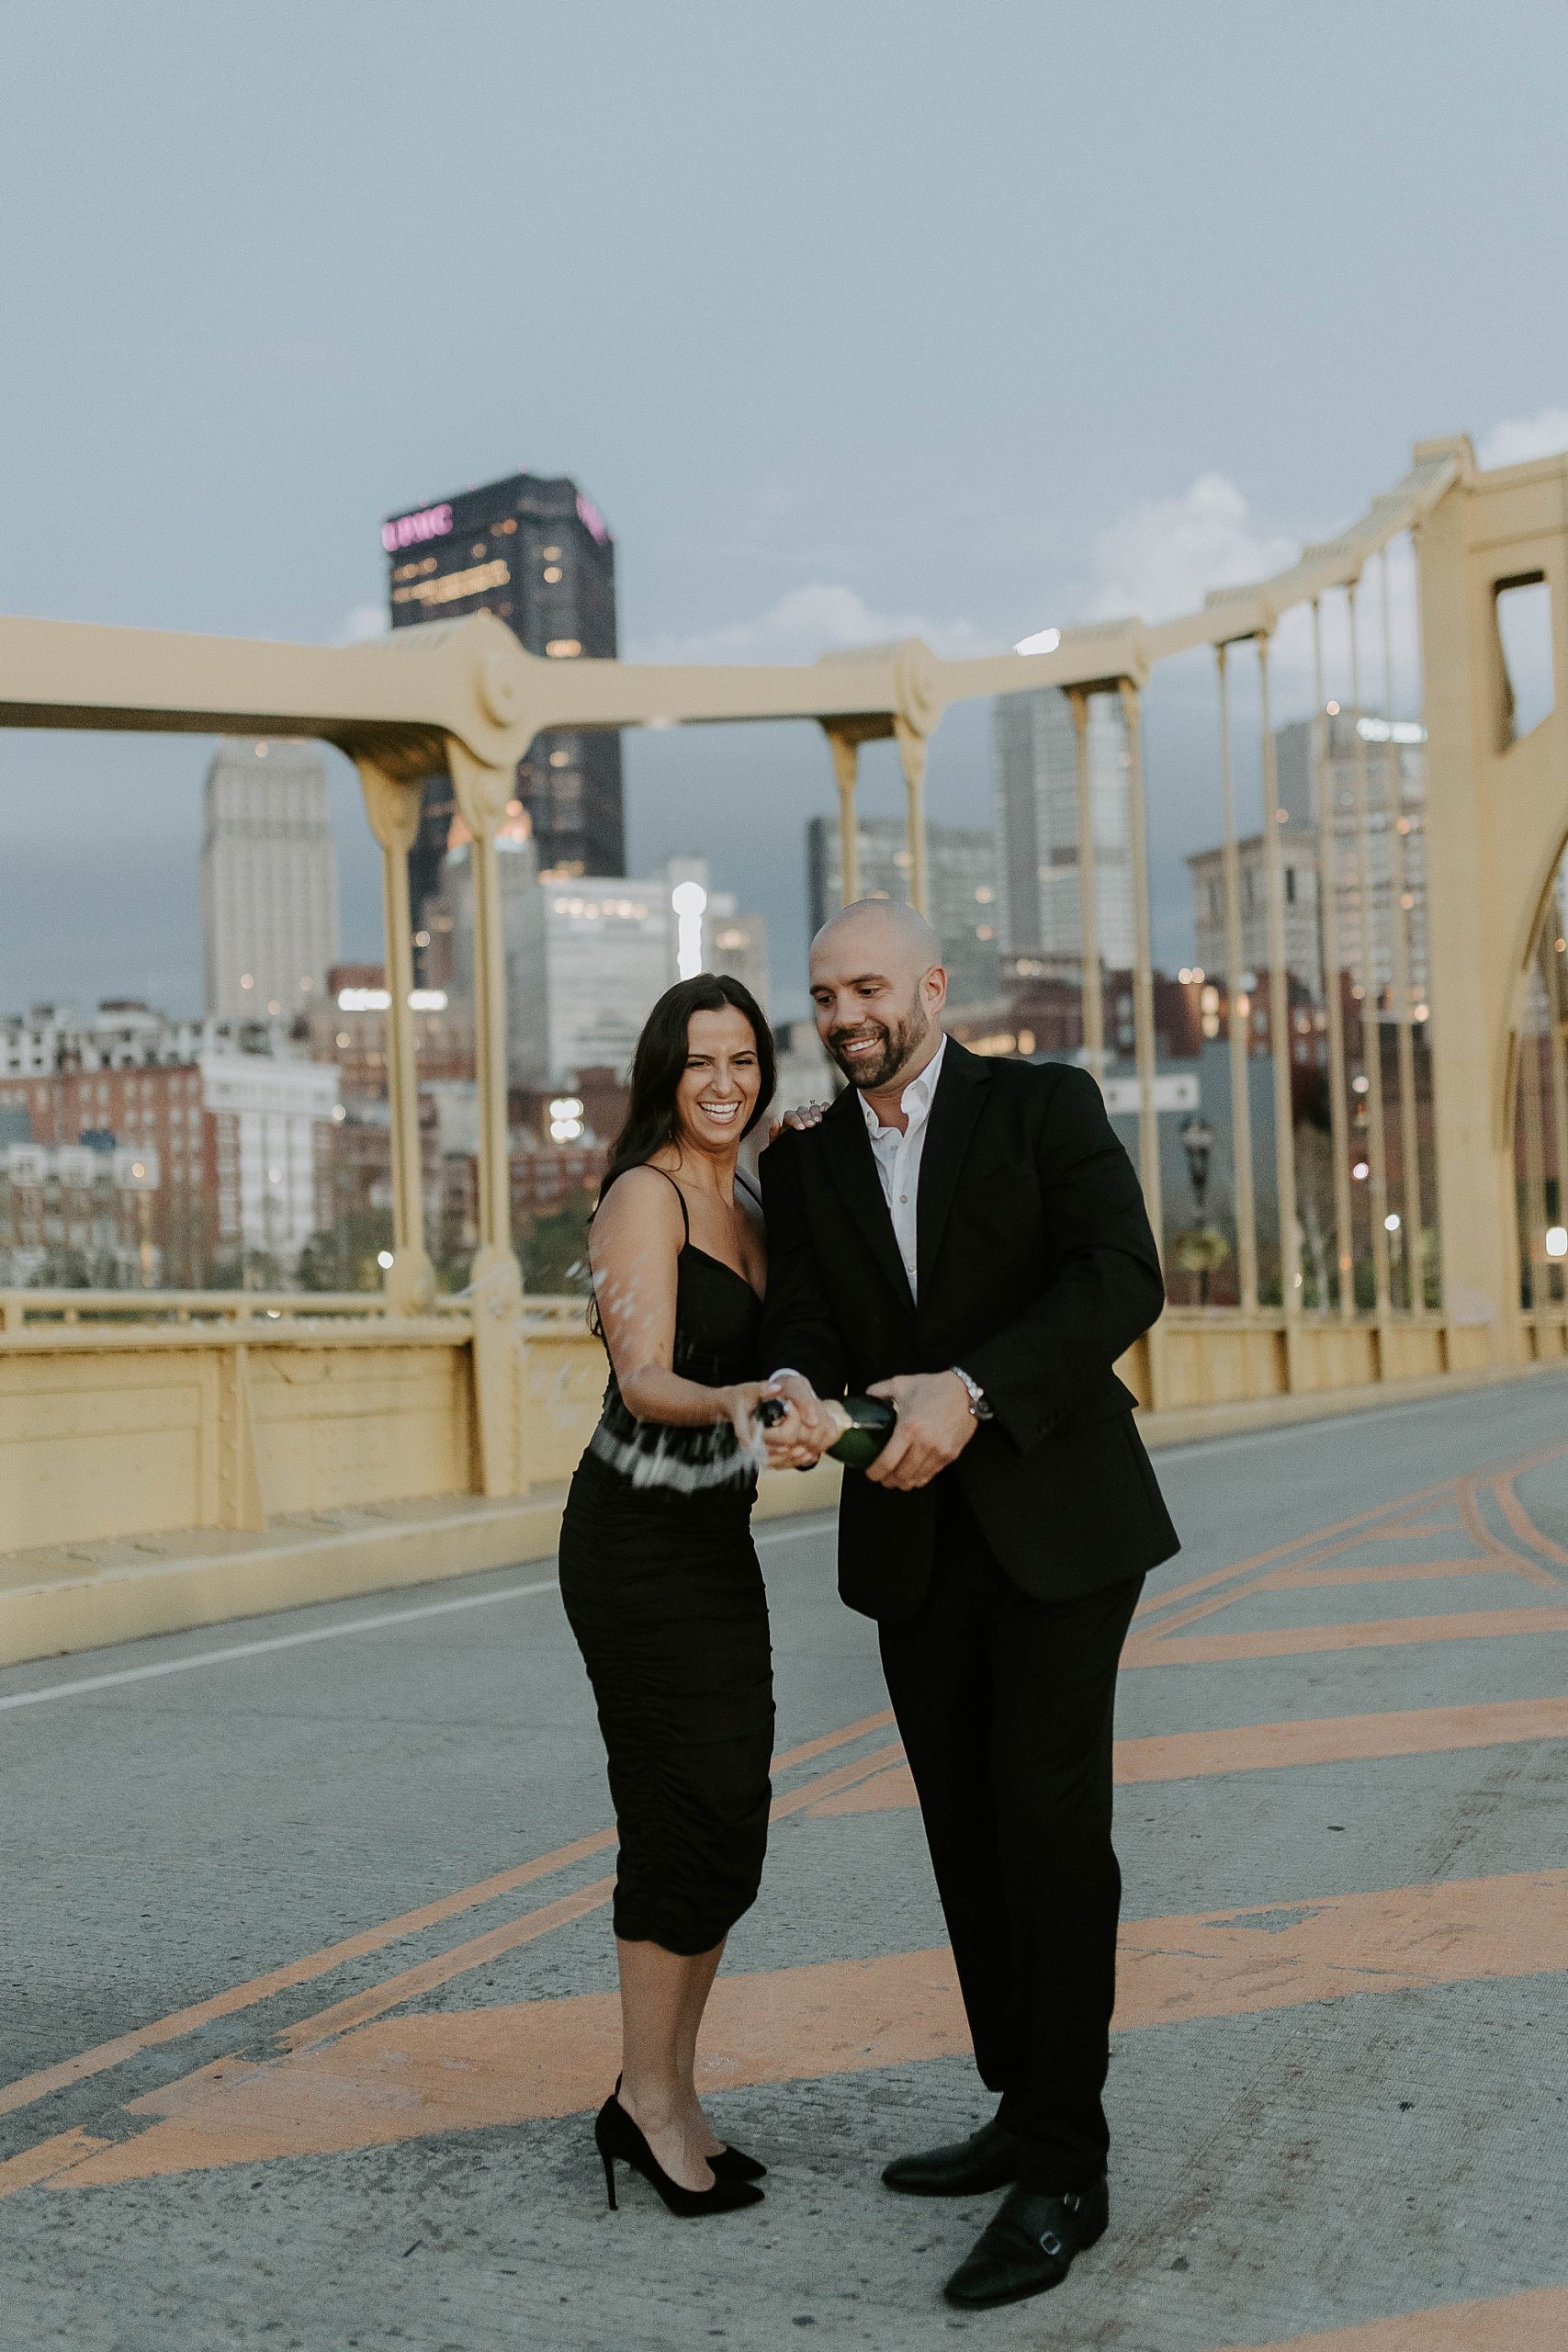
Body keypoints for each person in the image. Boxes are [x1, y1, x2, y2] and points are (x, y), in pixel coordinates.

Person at [759, 898, 1179, 2312]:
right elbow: (810, 1315)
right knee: (965, 1829)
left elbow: (1124, 1276)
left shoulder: (1040, 1103)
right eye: (821, 997)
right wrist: (808, 1389)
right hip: (910, 1543)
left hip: (1061, 1525)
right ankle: (1018, 2100)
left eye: (866, 986)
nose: (841, 1016)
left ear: (933, 985)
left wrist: (975, 1387)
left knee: (1052, 1830)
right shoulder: (812, 1160)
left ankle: (1068, 2163)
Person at [558, 972, 788, 2221]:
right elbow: (645, 1376)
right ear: (665, 1072)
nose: (724, 1084)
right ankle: (643, 2102)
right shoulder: (644, 1195)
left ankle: (669, 2089)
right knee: (678, 1813)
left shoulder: (748, 1194)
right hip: (634, 1543)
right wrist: (746, 1402)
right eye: (701, 1062)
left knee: (731, 1817)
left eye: (744, 1061)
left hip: (715, 1538)